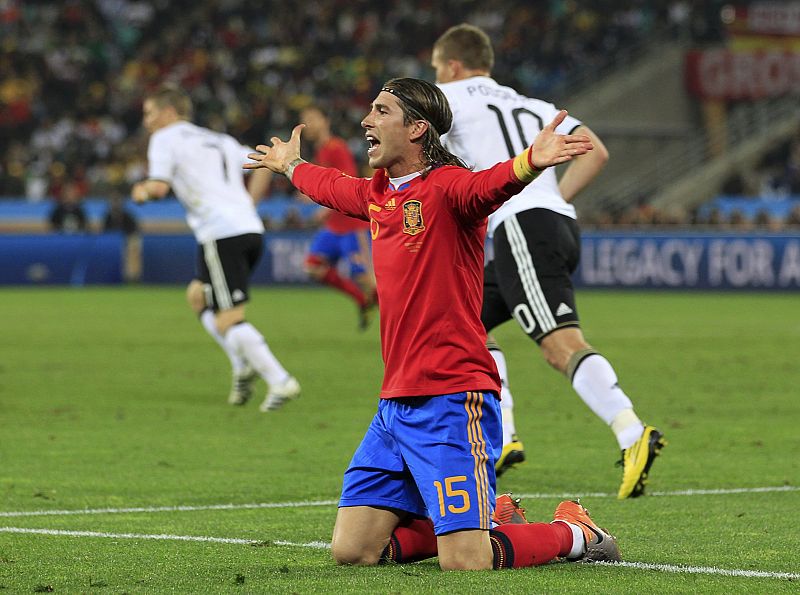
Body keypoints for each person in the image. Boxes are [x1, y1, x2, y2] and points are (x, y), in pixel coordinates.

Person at [246, 77, 620, 570]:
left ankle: (573, 532)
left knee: (465, 562)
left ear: (418, 128)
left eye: (381, 112)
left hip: (451, 396)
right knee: (353, 551)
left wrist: (531, 161)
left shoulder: (448, 189)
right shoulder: (379, 195)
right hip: (394, 406)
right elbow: (334, 188)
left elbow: (490, 184)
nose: (366, 121)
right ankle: (485, 520)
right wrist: (290, 165)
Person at [431, 24, 665, 498]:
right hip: (551, 222)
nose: (436, 75)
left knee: (559, 344)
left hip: (521, 227)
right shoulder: (532, 105)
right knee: (465, 323)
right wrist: (553, 195)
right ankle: (501, 438)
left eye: (437, 68)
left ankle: (630, 430)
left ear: (452, 66)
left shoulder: (446, 97)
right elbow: (595, 152)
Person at [131, 85, 300, 413]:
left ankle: (280, 380)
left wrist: (141, 192)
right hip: (249, 229)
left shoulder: (165, 139)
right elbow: (265, 162)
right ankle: (241, 364)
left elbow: (158, 187)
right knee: (198, 295)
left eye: (150, 113)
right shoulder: (218, 139)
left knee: (229, 318)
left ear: (168, 112)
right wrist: (249, 204)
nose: (147, 120)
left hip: (221, 234)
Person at [299, 105, 377, 330]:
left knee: (368, 280)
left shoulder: (336, 147)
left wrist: (325, 207)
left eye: (312, 118)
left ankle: (404, 323)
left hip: (353, 225)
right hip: (334, 225)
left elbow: (348, 183)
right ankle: (362, 300)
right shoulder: (322, 150)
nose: (308, 125)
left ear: (325, 121)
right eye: (305, 120)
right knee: (312, 267)